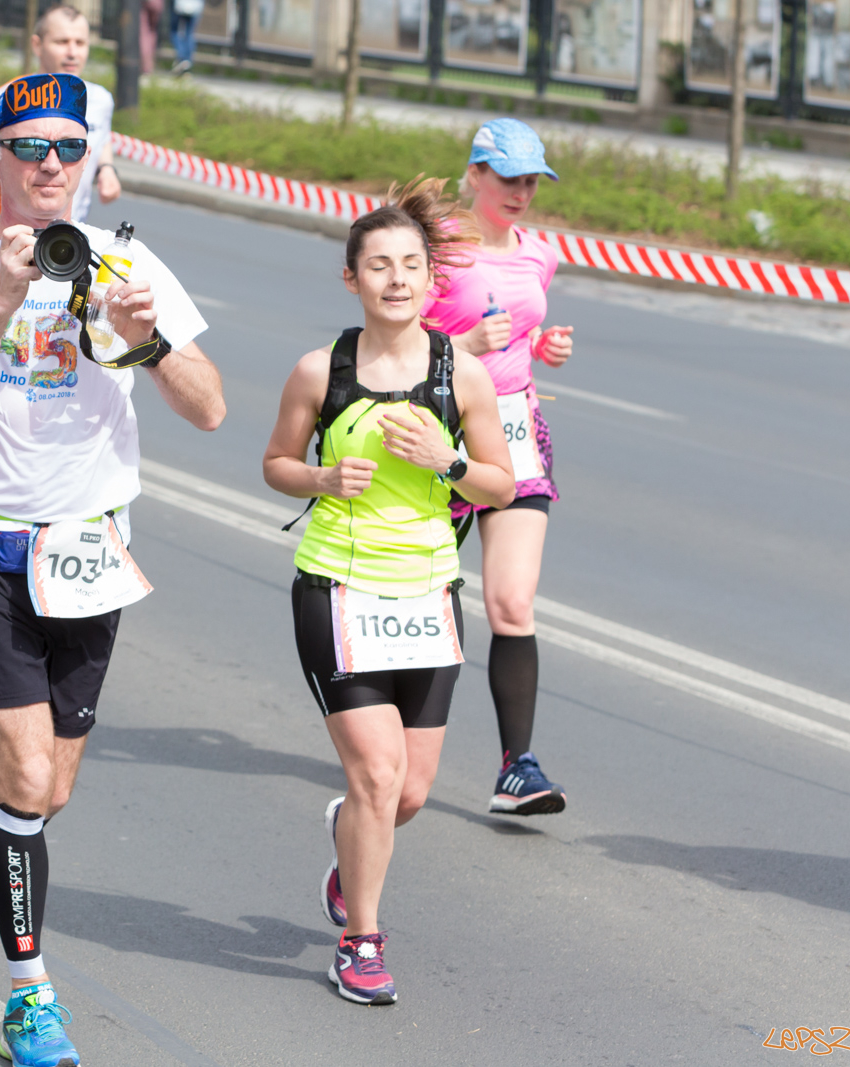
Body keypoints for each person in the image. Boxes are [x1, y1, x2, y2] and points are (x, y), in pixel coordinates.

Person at [0, 73, 223, 1067]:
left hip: (89, 546)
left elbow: (208, 407)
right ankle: (32, 994)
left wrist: (149, 338)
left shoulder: (128, 259)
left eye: (68, 149)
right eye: (30, 146)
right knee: (27, 771)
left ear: (89, 161)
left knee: (48, 795)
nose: (50, 165)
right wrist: (6, 294)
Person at [263, 177, 514, 1005]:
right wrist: (325, 476)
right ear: (353, 279)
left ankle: (351, 843)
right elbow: (276, 465)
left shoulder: (462, 376)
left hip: (428, 594)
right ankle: (361, 940)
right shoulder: (320, 370)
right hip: (337, 588)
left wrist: (444, 463)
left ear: (430, 280)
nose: (397, 279)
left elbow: (501, 486)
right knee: (375, 773)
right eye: (379, 265)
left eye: (411, 264)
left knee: (406, 791)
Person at [421, 118, 575, 817]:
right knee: (426, 593)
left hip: (513, 430)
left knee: (512, 602)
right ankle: (397, 734)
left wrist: (541, 346)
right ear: (475, 174)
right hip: (441, 433)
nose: (521, 192)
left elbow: (517, 328)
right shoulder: (437, 250)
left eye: (531, 179)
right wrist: (462, 343)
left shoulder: (540, 256)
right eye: (508, 177)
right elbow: (398, 339)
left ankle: (519, 767)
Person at [0, 5, 122, 226]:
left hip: (68, 237)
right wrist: (20, 164)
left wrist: (107, 169)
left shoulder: (100, 100)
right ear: (37, 45)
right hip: (9, 235)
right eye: (62, 42)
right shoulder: (8, 97)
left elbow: (100, 138)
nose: (72, 52)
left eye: (80, 43)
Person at [170, 0, 204, 74]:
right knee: (189, 34)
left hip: (180, 4)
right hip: (195, 4)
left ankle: (182, 58)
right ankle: (187, 61)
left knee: (174, 31)